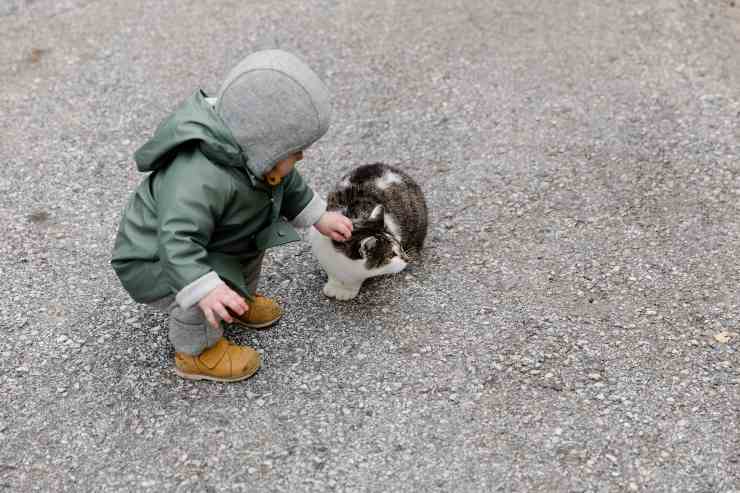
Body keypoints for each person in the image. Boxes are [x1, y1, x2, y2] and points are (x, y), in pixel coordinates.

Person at [111, 50, 352, 382]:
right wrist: (205, 288)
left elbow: (288, 183)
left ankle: (237, 300)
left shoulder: (257, 158)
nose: (300, 155)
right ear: (263, 144)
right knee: (199, 293)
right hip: (157, 257)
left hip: (219, 238)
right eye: (293, 150)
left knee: (250, 250)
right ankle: (197, 352)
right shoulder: (197, 178)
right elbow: (176, 240)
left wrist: (318, 215)